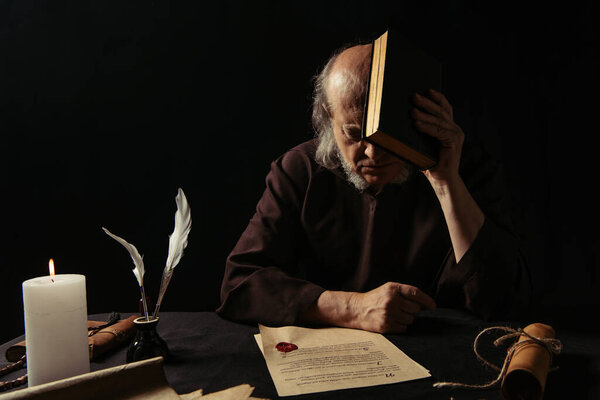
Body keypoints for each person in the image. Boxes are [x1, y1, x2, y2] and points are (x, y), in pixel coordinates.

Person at [216, 42, 532, 333]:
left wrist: (445, 181)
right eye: (353, 133)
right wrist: (353, 308)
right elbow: (240, 284)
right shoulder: (298, 170)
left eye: (387, 134)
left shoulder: (467, 170)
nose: (373, 154)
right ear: (328, 115)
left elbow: (504, 301)